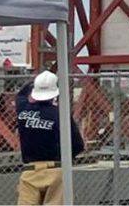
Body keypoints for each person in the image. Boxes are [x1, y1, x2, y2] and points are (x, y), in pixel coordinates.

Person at [15, 69, 85, 205]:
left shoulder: (23, 110)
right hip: (56, 170)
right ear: (55, 93)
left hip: (30, 170)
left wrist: (33, 81)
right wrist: (65, 157)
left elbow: (20, 95)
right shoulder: (60, 115)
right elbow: (78, 144)